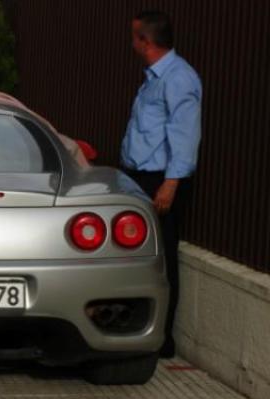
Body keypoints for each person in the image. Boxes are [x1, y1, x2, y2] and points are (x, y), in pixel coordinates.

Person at [120, 10, 202, 358]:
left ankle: (162, 340)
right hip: (140, 176)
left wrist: (170, 184)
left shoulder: (178, 78)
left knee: (163, 257)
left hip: (160, 180)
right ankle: (135, 326)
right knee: (136, 254)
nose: (132, 41)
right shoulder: (154, 77)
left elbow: (184, 134)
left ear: (146, 41)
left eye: (134, 35)